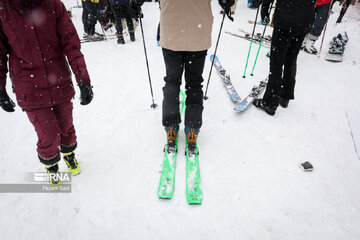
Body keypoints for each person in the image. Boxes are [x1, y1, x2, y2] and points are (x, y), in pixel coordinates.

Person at [0, 0, 94, 185]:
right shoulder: (4, 11)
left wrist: (83, 79)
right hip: (29, 87)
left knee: (66, 127)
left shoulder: (53, 5)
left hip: (59, 81)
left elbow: (71, 45)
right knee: (48, 134)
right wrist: (1, 89)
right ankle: (51, 165)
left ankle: (69, 154)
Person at [130, 0, 234, 152]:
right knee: (194, 83)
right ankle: (192, 128)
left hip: (172, 30)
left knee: (172, 81)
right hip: (198, 31)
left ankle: (171, 126)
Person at [253, 0, 316, 115]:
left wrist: (265, 9)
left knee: (277, 62)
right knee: (291, 59)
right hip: (304, 20)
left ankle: (270, 102)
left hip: (285, 20)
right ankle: (285, 95)